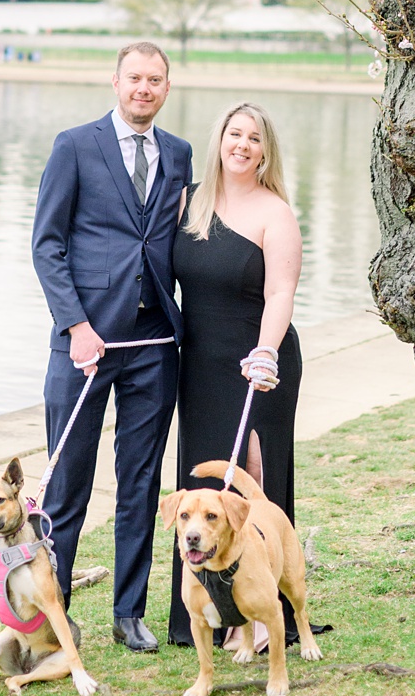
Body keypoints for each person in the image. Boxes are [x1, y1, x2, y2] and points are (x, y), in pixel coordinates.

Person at [29, 40, 190, 652]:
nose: (143, 88)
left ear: (166, 88)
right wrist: (76, 327)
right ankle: (55, 610)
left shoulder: (178, 153)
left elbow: (174, 237)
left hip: (154, 344)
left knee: (139, 482)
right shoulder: (74, 146)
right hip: (84, 344)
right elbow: (47, 244)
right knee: (66, 484)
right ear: (116, 82)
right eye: (134, 78)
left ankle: (129, 611)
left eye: (154, 79)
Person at [167, 101, 312, 651]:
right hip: (200, 363)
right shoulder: (190, 199)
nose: (243, 145)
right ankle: (206, 610)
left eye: (255, 138)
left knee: (252, 479)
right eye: (235, 134)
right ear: (220, 139)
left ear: (265, 151)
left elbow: (281, 292)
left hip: (260, 361)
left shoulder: (274, 212)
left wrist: (266, 353)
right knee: (204, 487)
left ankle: (255, 615)